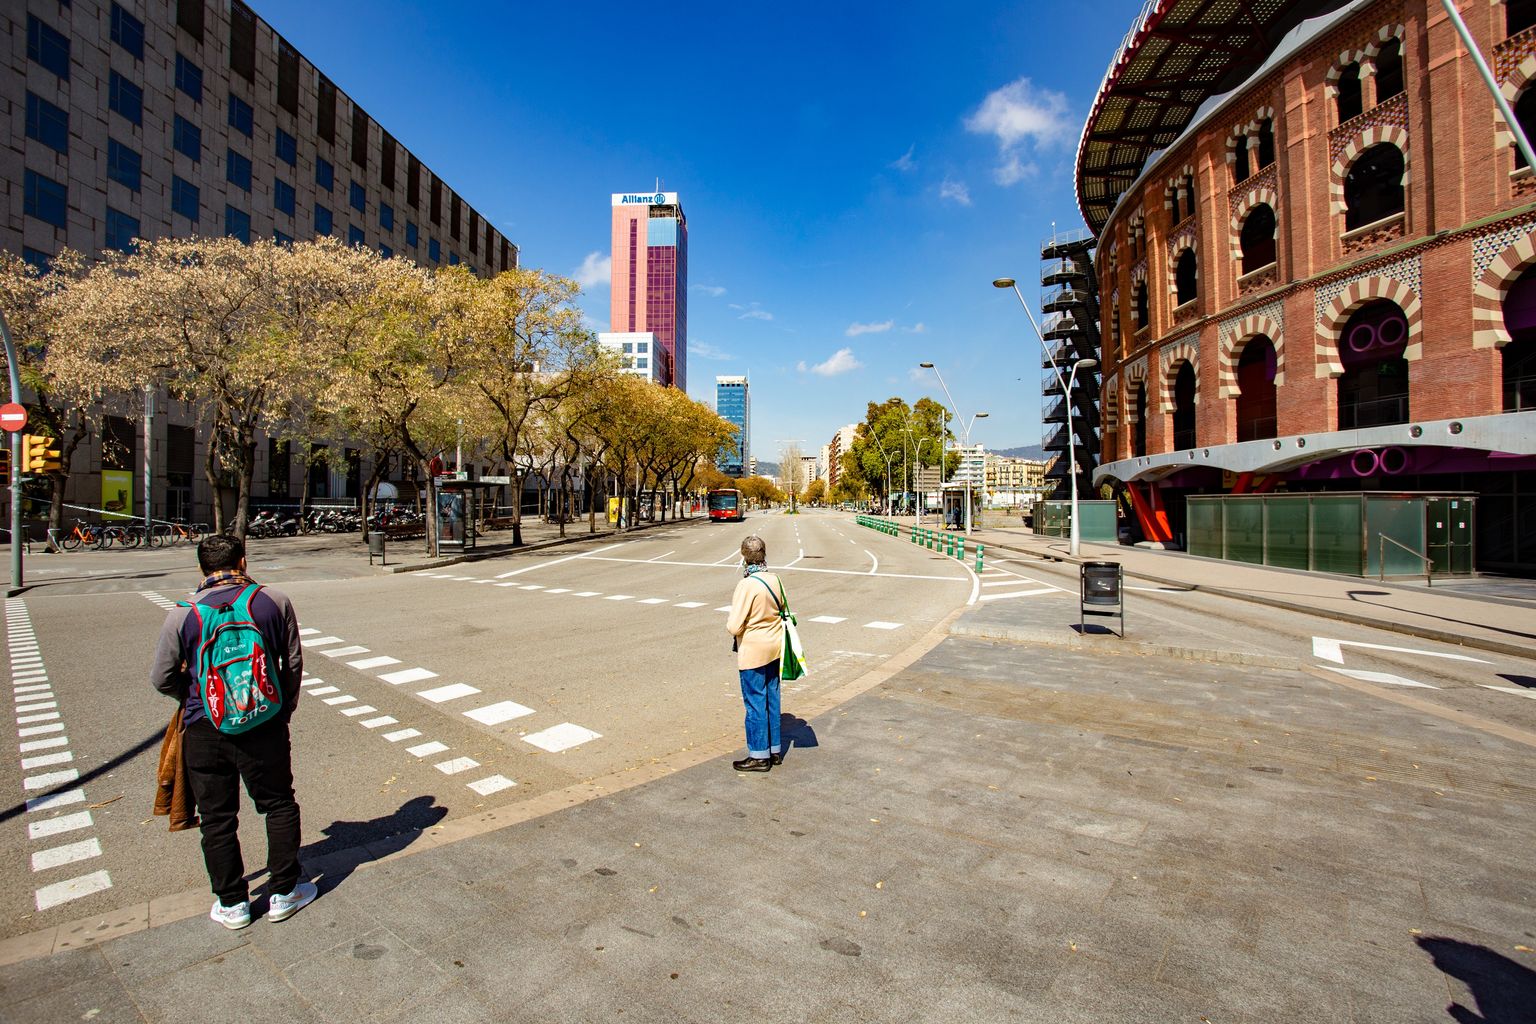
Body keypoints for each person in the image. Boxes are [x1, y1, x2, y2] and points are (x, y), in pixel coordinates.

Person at [150, 534, 314, 930]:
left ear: (201, 567)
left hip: (206, 727)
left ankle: (233, 903)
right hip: (265, 721)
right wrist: (283, 708)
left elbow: (161, 677)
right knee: (278, 804)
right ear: (243, 561)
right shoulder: (273, 601)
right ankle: (284, 893)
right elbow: (292, 662)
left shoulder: (183, 614)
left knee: (217, 818)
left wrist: (194, 698)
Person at [725, 535, 787, 772]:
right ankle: (774, 750)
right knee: (772, 697)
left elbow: (734, 626)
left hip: (753, 649)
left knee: (755, 701)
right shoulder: (775, 579)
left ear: (744, 556)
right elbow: (783, 609)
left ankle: (759, 755)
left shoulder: (747, 584)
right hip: (775, 646)